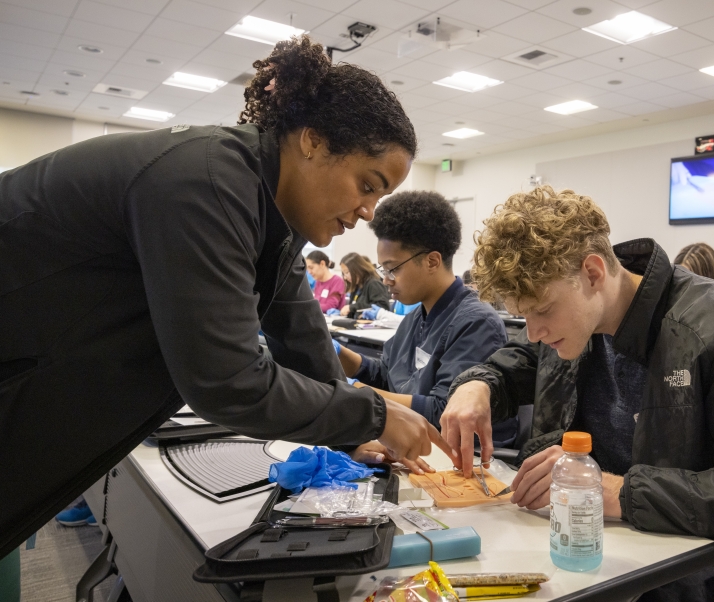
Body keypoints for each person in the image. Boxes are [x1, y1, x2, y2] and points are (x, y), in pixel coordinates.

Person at [0, 34, 452, 557]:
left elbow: (301, 335)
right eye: (368, 184)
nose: (370, 211)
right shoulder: (207, 181)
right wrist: (373, 413)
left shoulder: (265, 208)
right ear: (312, 141)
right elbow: (227, 380)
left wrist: (351, 433)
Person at [439, 187, 714, 600]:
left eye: (541, 310)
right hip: (582, 565)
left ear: (593, 273)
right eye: (521, 314)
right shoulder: (574, 325)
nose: (534, 332)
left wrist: (621, 492)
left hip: (691, 584)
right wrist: (477, 384)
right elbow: (513, 364)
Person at [336, 191, 513, 464]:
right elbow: (388, 376)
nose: (386, 281)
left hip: (461, 459)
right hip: (416, 448)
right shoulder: (415, 319)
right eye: (383, 271)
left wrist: (356, 391)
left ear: (432, 261)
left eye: (392, 269)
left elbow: (443, 412)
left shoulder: (476, 323)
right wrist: (336, 353)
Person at [339, 252, 391, 318]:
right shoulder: (357, 287)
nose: (345, 277)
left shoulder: (374, 284)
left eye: (347, 272)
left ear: (357, 269)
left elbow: (382, 307)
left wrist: (352, 307)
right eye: (343, 273)